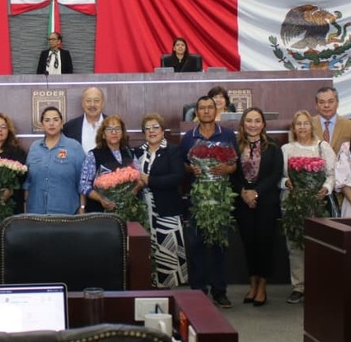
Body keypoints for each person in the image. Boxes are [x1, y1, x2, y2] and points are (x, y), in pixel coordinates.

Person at [180, 95, 237, 308]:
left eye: (209, 107)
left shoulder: (228, 135)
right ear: (196, 112)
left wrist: (226, 168)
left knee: (219, 246)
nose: (206, 111)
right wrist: (191, 169)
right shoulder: (189, 137)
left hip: (220, 199)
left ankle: (220, 291)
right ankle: (199, 291)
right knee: (197, 245)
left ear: (216, 111)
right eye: (202, 108)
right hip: (197, 200)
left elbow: (235, 165)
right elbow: (182, 164)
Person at [280, 110, 335, 305]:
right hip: (293, 203)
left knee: (318, 244)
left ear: (312, 126)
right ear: (293, 128)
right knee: (295, 244)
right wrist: (286, 183)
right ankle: (299, 287)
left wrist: (325, 188)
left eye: (306, 123)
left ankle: (318, 285)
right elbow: (281, 176)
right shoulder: (286, 149)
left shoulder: (323, 147)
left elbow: (332, 174)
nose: (302, 127)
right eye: (298, 124)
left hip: (317, 204)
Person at [232, 108, 283, 307]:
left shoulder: (273, 146)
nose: (253, 125)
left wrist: (256, 192)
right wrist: (244, 192)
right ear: (243, 123)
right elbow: (232, 174)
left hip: (266, 201)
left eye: (257, 121)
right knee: (249, 243)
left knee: (264, 244)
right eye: (249, 121)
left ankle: (262, 286)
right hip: (243, 201)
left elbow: (276, 173)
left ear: (263, 124)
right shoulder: (236, 145)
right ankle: (252, 284)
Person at [134, 112, 187, 288]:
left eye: (155, 127)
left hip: (167, 209)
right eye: (147, 128)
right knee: (147, 249)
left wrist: (150, 180)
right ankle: (149, 287)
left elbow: (177, 177)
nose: (151, 131)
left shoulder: (173, 150)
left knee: (167, 250)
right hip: (143, 210)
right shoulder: (137, 152)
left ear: (163, 130)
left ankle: (167, 290)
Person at [24, 106, 86, 214]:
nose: (51, 124)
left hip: (66, 213)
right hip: (36, 212)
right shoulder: (35, 147)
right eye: (47, 120)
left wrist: (82, 207)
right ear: (42, 124)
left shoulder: (74, 147)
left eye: (55, 120)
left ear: (61, 123)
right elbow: (28, 182)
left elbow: (83, 181)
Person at [79, 114, 137, 213]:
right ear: (103, 134)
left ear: (122, 133)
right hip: (100, 211)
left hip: (127, 210)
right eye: (109, 129)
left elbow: (140, 178)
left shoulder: (129, 152)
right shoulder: (93, 155)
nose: (114, 132)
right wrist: (101, 199)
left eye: (117, 129)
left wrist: (134, 190)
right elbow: (84, 186)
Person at [63, 87, 105, 153]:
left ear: (103, 103)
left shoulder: (113, 125)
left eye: (96, 101)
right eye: (88, 101)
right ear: (82, 103)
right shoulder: (70, 127)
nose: (92, 105)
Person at [312, 86, 351, 154]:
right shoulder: (308, 124)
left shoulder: (350, 125)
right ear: (316, 105)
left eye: (330, 101)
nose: (326, 105)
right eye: (322, 102)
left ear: (337, 103)